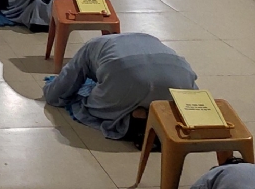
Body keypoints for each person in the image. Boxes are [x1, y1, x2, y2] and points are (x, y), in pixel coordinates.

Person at [43, 33, 197, 141]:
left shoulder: (90, 46)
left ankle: (130, 119)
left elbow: (63, 86)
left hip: (125, 74)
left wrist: (49, 89)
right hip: (180, 73)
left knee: (89, 102)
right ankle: (164, 116)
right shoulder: (151, 39)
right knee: (177, 104)